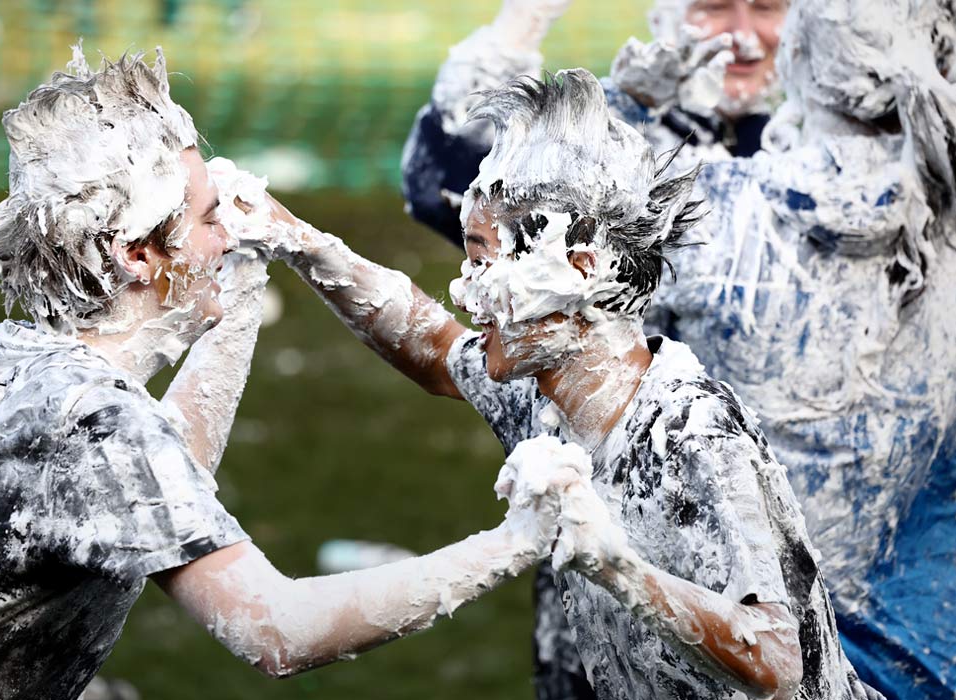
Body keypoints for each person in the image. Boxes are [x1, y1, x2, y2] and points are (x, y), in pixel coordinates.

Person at [0, 47, 578, 699]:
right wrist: (516, 541)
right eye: (211, 218)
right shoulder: (94, 423)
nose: (228, 229)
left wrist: (236, 289)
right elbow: (278, 631)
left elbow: (165, 482)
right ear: (139, 256)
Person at [252, 67, 878, 700]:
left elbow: (775, 656)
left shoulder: (691, 430)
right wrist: (297, 240)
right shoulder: (547, 397)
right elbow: (436, 350)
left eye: (480, 257)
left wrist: (616, 566)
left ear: (579, 267)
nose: (463, 288)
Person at [642, 1, 956, 696]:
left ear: (795, 61)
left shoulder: (704, 209)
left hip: (738, 661)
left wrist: (633, 102)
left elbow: (512, 217)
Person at [401, 0, 787, 247]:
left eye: (766, 7)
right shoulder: (607, 139)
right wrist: (526, 17)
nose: (743, 35)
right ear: (662, 19)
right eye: (714, 6)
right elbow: (439, 186)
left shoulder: (811, 146)